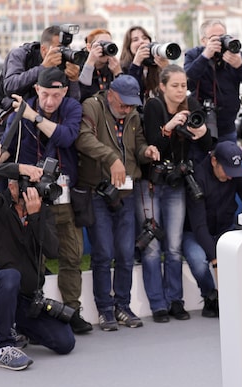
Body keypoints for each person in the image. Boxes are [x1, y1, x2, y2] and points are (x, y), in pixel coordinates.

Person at [0, 67, 92, 334]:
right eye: (45, 94)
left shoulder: (71, 108)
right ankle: (29, 314)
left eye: (56, 95)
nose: (50, 101)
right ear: (37, 90)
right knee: (31, 260)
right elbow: (6, 148)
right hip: (28, 196)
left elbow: (66, 137)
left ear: (65, 92)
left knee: (71, 255)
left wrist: (35, 117)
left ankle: (73, 310)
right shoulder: (22, 111)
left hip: (62, 195)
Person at [75, 74, 160, 331]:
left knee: (125, 254)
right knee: (103, 253)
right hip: (99, 192)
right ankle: (104, 308)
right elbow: (82, 138)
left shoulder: (133, 115)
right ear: (110, 93)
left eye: (132, 105)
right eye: (124, 104)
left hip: (126, 193)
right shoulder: (92, 106)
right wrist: (111, 158)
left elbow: (138, 143)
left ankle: (123, 305)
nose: (127, 109)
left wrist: (146, 151)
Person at [0, 162, 75, 371]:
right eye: (28, 184)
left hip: (25, 300)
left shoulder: (41, 212)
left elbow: (53, 251)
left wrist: (35, 216)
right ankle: (4, 347)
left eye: (35, 185)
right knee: (10, 276)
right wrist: (19, 169)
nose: (33, 191)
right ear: (12, 187)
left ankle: (19, 327)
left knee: (65, 342)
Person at [135, 64, 212, 322]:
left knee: (175, 246)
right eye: (175, 86)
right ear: (163, 86)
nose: (181, 91)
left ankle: (175, 300)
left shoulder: (191, 103)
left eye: (184, 85)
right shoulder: (153, 106)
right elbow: (153, 146)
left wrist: (202, 132)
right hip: (152, 183)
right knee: (152, 246)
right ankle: (158, 304)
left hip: (177, 183)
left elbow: (206, 144)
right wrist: (169, 126)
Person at [0, 25, 81, 162]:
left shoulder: (62, 65)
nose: (63, 53)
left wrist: (74, 80)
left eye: (66, 49)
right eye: (59, 49)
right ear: (44, 49)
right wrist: (43, 68)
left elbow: (69, 102)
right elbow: (10, 87)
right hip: (4, 134)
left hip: (35, 139)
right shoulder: (21, 55)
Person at [182, 141, 242, 317]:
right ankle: (211, 297)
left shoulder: (234, 171)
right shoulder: (198, 177)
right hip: (196, 232)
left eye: (234, 171)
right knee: (198, 261)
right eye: (227, 171)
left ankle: (240, 297)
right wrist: (216, 260)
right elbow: (199, 226)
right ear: (214, 161)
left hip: (225, 228)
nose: (231, 177)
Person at [184, 19, 242, 144]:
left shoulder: (236, 56)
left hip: (227, 128)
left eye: (223, 37)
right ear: (203, 41)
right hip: (200, 125)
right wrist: (205, 57)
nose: (220, 42)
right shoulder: (194, 55)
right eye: (214, 38)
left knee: (228, 161)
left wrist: (240, 66)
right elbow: (187, 84)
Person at [120, 26, 170, 103]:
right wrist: (136, 64)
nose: (141, 42)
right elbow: (129, 92)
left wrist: (167, 69)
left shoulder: (156, 65)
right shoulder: (123, 68)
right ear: (128, 46)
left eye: (145, 38)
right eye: (135, 40)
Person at [79, 28, 122, 102]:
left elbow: (124, 96)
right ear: (89, 47)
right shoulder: (79, 65)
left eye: (109, 44)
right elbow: (82, 95)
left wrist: (118, 73)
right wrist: (90, 62)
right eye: (102, 44)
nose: (105, 48)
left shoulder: (112, 67)